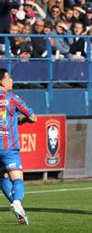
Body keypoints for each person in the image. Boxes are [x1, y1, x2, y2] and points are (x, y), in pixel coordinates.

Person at [0, 68, 37, 226]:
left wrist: (15, 119)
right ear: (2, 81)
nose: (12, 81)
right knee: (17, 178)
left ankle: (19, 209)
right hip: (8, 147)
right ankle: (17, 202)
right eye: (9, 78)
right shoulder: (12, 98)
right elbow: (33, 117)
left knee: (2, 177)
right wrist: (23, 119)